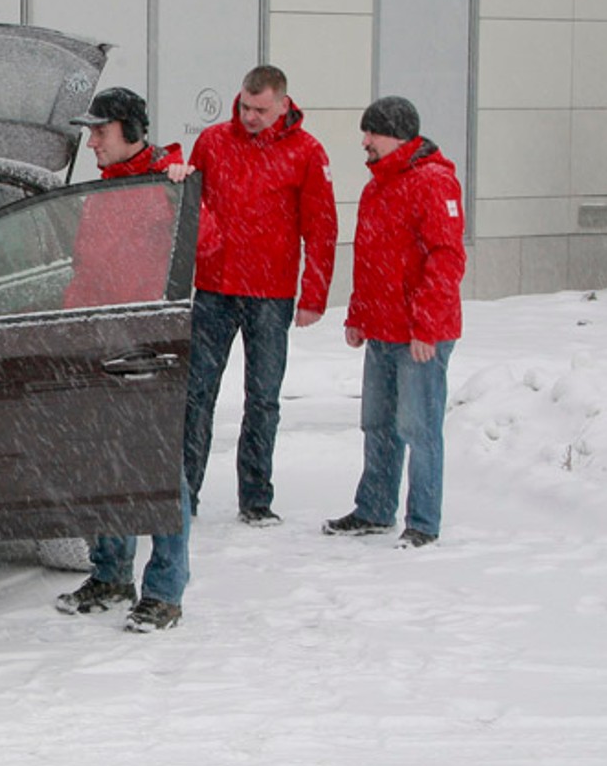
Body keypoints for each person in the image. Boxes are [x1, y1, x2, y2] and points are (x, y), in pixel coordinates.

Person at [52, 88, 197, 632]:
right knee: (106, 467)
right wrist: (68, 328)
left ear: (131, 131)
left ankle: (164, 592)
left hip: (152, 349)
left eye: (100, 132)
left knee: (160, 475)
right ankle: (112, 575)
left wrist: (186, 195)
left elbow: (213, 246)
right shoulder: (101, 192)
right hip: (101, 344)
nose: (90, 141)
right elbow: (87, 271)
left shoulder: (168, 184)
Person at [182, 65, 338, 527]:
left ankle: (255, 498)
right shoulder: (212, 141)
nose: (250, 116)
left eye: (261, 110)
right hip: (214, 288)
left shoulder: (307, 152)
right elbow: (194, 208)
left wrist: (314, 293)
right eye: (246, 107)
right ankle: (184, 491)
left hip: (271, 294)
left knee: (263, 398)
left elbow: (321, 227)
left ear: (284, 105)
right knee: (196, 394)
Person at [324, 96, 465, 549]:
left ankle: (423, 522)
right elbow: (370, 259)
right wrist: (358, 314)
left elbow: (446, 260)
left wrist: (427, 327)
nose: (364, 142)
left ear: (398, 136)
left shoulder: (433, 183)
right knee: (378, 424)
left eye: (372, 133)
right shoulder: (378, 186)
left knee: (419, 428)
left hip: (420, 337)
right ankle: (374, 510)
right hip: (382, 329)